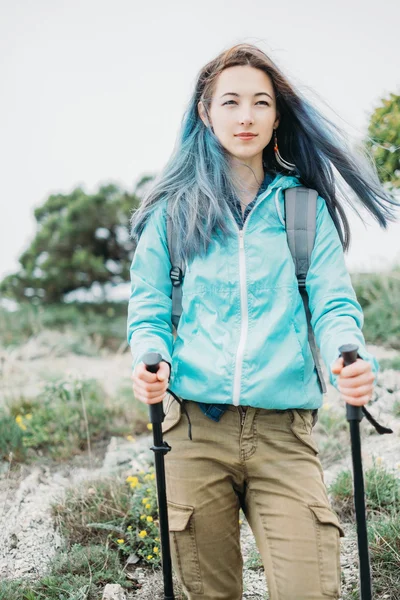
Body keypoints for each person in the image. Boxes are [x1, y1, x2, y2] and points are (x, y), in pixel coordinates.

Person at [127, 44, 397, 600]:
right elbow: (150, 309)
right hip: (193, 432)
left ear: (277, 116)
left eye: (260, 102)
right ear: (206, 113)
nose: (244, 116)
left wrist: (349, 353)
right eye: (230, 102)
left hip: (284, 433)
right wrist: (150, 358)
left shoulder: (304, 210)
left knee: (310, 589)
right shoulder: (170, 211)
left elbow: (332, 303)